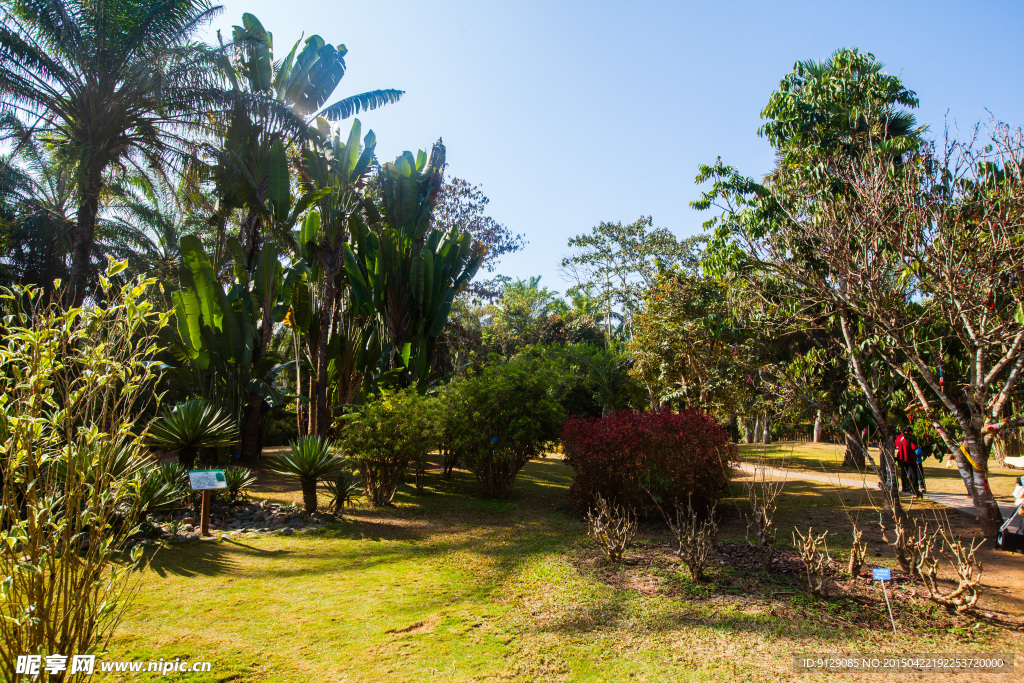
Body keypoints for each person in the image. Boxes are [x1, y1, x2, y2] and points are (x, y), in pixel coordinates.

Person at [895, 428, 924, 497]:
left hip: (902, 457)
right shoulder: (910, 438)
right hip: (910, 458)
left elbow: (898, 447)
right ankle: (915, 487)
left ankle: (904, 487)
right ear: (910, 432)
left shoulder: (901, 437)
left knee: (903, 473)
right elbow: (914, 447)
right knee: (913, 473)